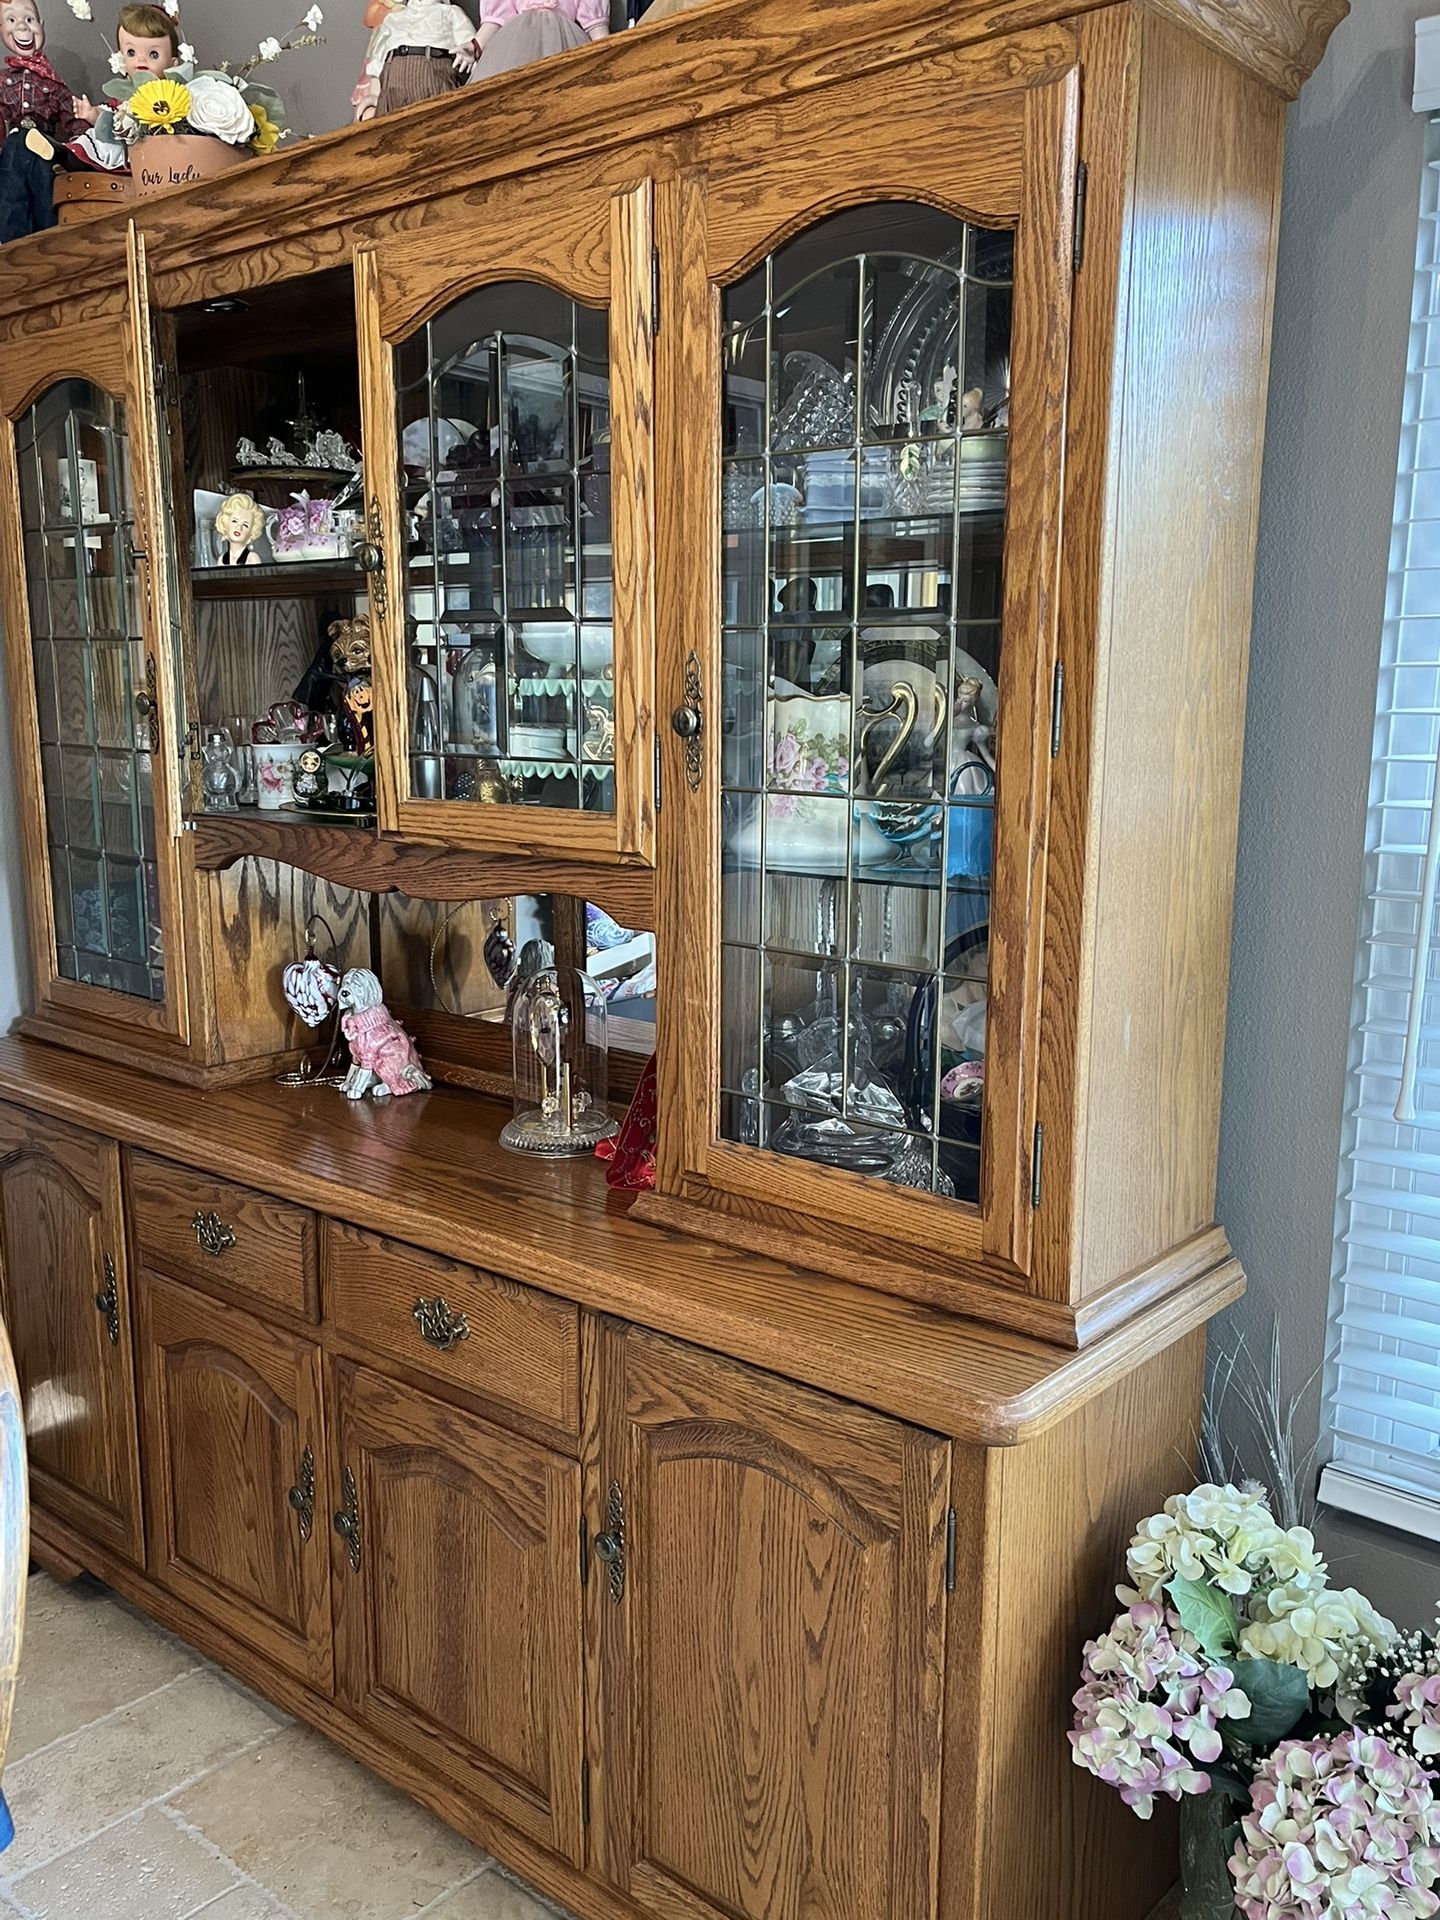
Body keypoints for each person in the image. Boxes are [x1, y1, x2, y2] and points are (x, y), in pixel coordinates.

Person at [353, 0, 474, 118]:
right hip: (392, 81)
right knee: (388, 125)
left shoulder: (451, 12)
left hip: (432, 75)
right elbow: (378, 61)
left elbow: (471, 48)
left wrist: (469, 55)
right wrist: (374, 95)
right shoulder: (391, 19)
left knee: (437, 120)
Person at [461, 0, 607, 84]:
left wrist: (609, 54)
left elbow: (597, 27)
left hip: (564, 41)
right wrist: (476, 45)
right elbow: (496, 19)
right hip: (517, 42)